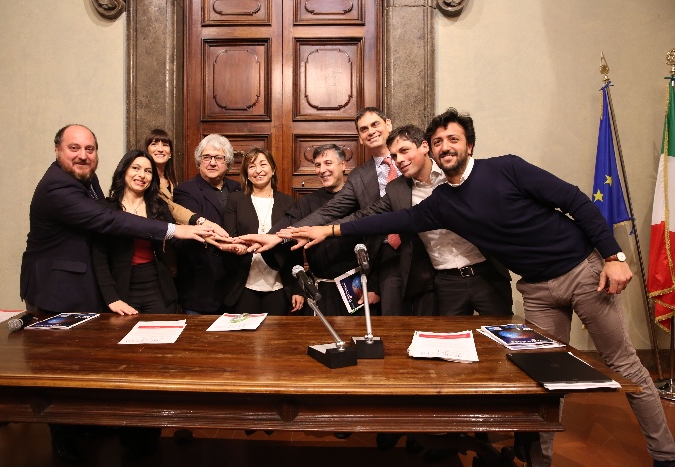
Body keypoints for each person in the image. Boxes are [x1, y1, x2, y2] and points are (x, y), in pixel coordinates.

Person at [284, 108, 675, 467]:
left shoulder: (507, 168)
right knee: (543, 377)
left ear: (469, 145)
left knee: (623, 364)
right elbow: (389, 221)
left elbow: (574, 200)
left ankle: (665, 454)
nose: (445, 147)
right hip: (536, 291)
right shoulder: (442, 202)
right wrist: (329, 230)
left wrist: (612, 256)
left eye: (453, 139)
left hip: (581, 271)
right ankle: (539, 462)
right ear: (431, 149)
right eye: (438, 141)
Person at [19, 124, 215, 464]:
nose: (83, 155)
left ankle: (97, 430)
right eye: (74, 148)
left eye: (90, 149)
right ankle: (65, 444)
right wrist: (174, 231)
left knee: (90, 369)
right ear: (57, 150)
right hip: (57, 290)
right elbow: (111, 222)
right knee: (60, 374)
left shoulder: (86, 180)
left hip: (89, 289)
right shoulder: (56, 187)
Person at [341, 124, 512, 316]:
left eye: (404, 151)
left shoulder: (452, 171)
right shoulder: (397, 189)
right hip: (446, 282)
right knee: (450, 335)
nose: (399, 160)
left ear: (424, 146)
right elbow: (369, 215)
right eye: (394, 156)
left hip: (487, 274)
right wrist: (329, 229)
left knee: (502, 331)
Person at [287, 107, 427, 316]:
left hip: (428, 253)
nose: (370, 131)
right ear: (360, 138)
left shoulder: (418, 163)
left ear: (388, 124)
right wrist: (281, 236)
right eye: (364, 129)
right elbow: (351, 215)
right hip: (387, 261)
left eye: (375, 124)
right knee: (393, 326)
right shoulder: (359, 176)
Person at [259, 144, 364, 316]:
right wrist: (269, 238)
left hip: (355, 287)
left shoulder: (360, 199)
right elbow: (288, 229)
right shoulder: (307, 202)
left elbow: (374, 243)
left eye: (328, 163)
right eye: (317, 165)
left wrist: (373, 285)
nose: (322, 170)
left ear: (343, 164)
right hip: (319, 288)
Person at [92, 149, 180, 315]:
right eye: (135, 168)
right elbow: (99, 257)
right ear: (124, 170)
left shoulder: (158, 206)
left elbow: (176, 239)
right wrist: (111, 298)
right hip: (121, 289)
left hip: (158, 287)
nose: (142, 175)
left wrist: (208, 238)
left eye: (148, 171)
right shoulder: (106, 208)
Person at [223, 148, 304, 315]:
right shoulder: (235, 200)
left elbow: (295, 247)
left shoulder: (288, 202)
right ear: (246, 173)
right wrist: (237, 247)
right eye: (252, 166)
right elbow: (231, 237)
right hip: (243, 285)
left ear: (272, 169)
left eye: (263, 164)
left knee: (277, 331)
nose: (258, 170)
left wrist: (298, 288)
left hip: (280, 285)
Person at [173, 134, 243, 314]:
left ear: (227, 163)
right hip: (200, 284)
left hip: (234, 285)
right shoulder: (185, 191)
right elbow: (197, 229)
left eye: (218, 158)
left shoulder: (238, 188)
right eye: (207, 157)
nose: (212, 163)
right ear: (199, 161)